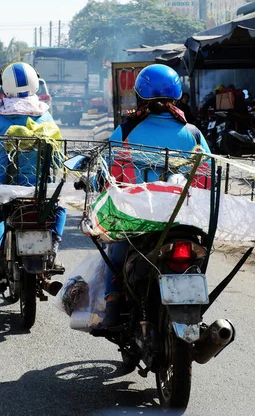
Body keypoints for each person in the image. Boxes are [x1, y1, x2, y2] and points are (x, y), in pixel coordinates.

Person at [101, 64, 211, 328]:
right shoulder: (192, 132)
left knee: (115, 252)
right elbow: (208, 175)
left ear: (139, 96)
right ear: (176, 97)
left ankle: (112, 310)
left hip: (138, 219)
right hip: (184, 220)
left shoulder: (127, 130)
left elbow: (106, 169)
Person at [0, 61, 67, 283]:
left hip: (7, 190)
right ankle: (54, 245)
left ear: (4, 86)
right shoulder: (46, 116)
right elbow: (58, 160)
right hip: (41, 191)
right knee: (59, 209)